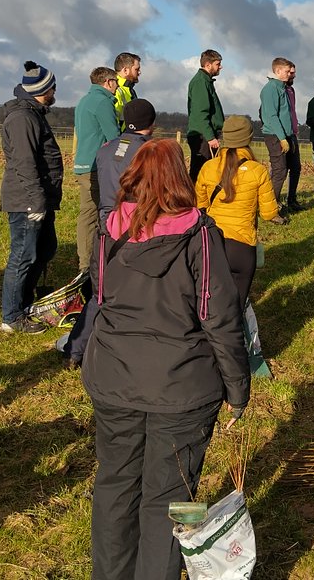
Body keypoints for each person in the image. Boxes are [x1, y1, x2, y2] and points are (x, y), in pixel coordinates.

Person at [82, 139, 250, 580]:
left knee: (116, 484)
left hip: (115, 379)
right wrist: (238, 388)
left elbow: (100, 294)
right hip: (181, 389)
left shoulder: (108, 229)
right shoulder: (201, 235)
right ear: (181, 178)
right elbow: (220, 315)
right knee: (171, 496)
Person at [64, 98, 158, 370]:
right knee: (144, 292)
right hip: (138, 228)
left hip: (107, 228)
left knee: (101, 293)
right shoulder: (149, 152)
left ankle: (75, 349)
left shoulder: (105, 149)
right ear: (152, 123)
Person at [0, 60, 62, 334]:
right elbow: (24, 163)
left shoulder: (34, 114)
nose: (55, 91)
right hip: (27, 200)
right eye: (53, 87)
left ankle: (24, 302)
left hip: (38, 198)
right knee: (23, 255)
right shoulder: (22, 118)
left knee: (46, 248)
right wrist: (35, 202)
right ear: (42, 90)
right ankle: (12, 316)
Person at [196, 114, 282, 308]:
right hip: (242, 247)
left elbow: (200, 206)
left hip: (211, 243)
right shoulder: (257, 170)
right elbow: (269, 214)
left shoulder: (208, 167)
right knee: (236, 306)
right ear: (249, 138)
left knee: (208, 303)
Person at [74, 66, 121, 287]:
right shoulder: (103, 102)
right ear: (108, 82)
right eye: (116, 82)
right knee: (95, 213)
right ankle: (88, 265)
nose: (118, 86)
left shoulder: (84, 101)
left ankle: (87, 260)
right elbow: (114, 137)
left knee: (87, 212)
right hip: (96, 166)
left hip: (83, 163)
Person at [260, 57, 301, 212]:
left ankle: (291, 200)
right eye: (287, 71)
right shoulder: (271, 89)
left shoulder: (283, 88)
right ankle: (270, 206)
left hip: (289, 135)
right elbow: (272, 116)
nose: (290, 74)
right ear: (277, 71)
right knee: (279, 171)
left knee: (295, 167)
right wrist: (282, 138)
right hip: (275, 136)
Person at [186, 49, 225, 183]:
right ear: (208, 65)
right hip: (202, 136)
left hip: (205, 135)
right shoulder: (200, 82)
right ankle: (193, 196)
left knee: (206, 172)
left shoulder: (205, 81)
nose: (220, 67)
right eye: (217, 64)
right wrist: (210, 137)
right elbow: (201, 113)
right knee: (200, 173)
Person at [112, 52, 142, 130]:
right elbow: (112, 123)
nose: (139, 72)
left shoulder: (130, 90)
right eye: (137, 69)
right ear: (125, 70)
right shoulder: (116, 91)